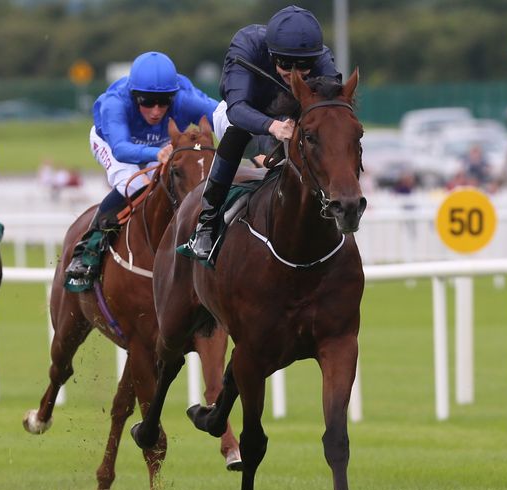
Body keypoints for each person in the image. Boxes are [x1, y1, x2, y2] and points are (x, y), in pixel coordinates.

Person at [183, 5, 342, 260]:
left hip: (287, 122)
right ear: (271, 54)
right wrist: (274, 127)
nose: (294, 74)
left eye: (303, 66)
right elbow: (238, 109)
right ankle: (207, 223)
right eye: (286, 64)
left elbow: (332, 109)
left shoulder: (322, 58)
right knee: (238, 131)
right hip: (241, 117)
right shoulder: (247, 44)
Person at [65, 51, 218, 286]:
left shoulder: (186, 98)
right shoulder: (115, 103)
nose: (156, 110)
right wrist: (154, 154)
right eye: (147, 101)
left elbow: (225, 116)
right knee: (135, 183)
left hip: (160, 144)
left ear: (173, 97)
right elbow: (121, 149)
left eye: (164, 101)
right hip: (114, 142)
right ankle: (88, 248)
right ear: (134, 96)